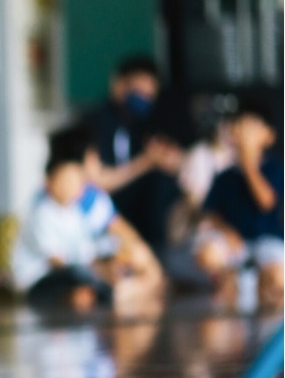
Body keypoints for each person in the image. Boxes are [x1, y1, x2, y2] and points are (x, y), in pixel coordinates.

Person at [46, 124, 165, 307]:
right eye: (93, 155)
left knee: (137, 260)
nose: (98, 160)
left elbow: (122, 232)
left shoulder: (83, 196)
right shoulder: (76, 198)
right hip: (78, 271)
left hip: (86, 266)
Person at [83, 55, 184, 258]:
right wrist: (147, 161)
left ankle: (161, 256)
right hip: (104, 213)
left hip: (139, 214)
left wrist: (168, 159)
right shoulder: (94, 124)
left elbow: (174, 160)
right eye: (139, 92)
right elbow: (98, 181)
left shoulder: (140, 125)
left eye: (149, 95)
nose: (143, 100)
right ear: (119, 84)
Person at [193, 98, 283, 308]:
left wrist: (248, 162)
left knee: (278, 279)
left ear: (268, 136)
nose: (244, 133)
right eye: (239, 126)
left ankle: (256, 283)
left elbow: (266, 201)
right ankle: (234, 282)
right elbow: (210, 212)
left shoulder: (274, 168)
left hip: (267, 241)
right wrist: (226, 231)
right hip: (235, 244)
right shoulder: (225, 175)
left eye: (251, 127)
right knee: (208, 254)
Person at [11, 152, 111, 311]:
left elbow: (87, 252)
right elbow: (55, 259)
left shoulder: (76, 215)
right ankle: (81, 292)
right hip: (37, 281)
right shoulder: (41, 214)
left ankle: (85, 292)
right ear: (50, 182)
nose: (70, 186)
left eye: (76, 182)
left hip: (69, 273)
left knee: (100, 282)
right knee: (78, 275)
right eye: (65, 180)